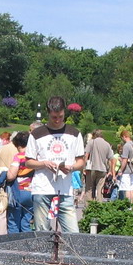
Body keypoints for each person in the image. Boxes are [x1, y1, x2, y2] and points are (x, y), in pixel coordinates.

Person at [25, 96, 85, 233]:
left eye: (60, 116)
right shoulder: (36, 134)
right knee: (42, 232)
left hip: (65, 189)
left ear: (64, 113)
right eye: (54, 117)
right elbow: (28, 162)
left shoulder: (74, 133)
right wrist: (44, 163)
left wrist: (71, 167)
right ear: (48, 114)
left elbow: (81, 161)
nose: (57, 120)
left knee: (73, 232)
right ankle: (44, 254)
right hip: (42, 188)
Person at [83, 130, 114, 202]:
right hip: (103, 169)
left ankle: (89, 208)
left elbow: (86, 155)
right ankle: (98, 208)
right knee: (99, 190)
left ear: (95, 135)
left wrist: (84, 167)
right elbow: (111, 159)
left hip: (91, 169)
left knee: (89, 189)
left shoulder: (91, 142)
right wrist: (110, 171)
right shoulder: (107, 144)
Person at [116, 130, 133, 202]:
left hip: (127, 170)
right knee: (131, 189)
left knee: (127, 189)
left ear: (124, 137)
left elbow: (125, 160)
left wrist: (120, 170)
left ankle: (127, 206)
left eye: (122, 138)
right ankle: (131, 206)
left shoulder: (126, 146)